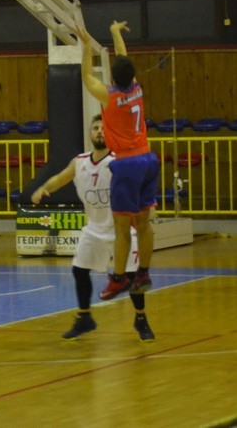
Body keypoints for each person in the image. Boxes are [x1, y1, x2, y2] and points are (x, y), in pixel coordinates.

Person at [32, 115, 154, 342]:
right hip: (94, 228)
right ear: (89, 133)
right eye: (95, 128)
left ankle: (141, 318)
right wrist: (43, 188)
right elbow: (59, 178)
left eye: (103, 128)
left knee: (132, 276)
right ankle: (84, 317)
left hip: (122, 230)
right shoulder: (79, 162)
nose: (99, 131)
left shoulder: (119, 162)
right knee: (79, 270)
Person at [77, 21, 158, 301]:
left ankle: (120, 278)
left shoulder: (109, 97)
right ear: (131, 74)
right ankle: (144, 273)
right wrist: (114, 33)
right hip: (148, 158)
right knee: (144, 224)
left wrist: (85, 46)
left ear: (112, 76)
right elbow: (123, 58)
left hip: (127, 164)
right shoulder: (136, 87)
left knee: (122, 229)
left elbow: (87, 76)